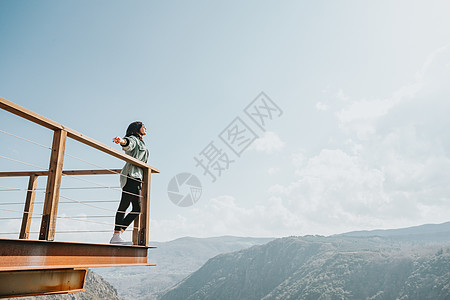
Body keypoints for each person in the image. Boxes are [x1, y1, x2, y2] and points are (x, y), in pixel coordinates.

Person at [110, 121, 149, 244]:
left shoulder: (141, 141)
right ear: (137, 129)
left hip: (136, 177)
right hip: (131, 176)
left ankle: (118, 234)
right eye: (143, 127)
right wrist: (121, 141)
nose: (146, 128)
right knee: (128, 206)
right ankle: (116, 235)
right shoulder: (134, 139)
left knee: (135, 208)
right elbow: (128, 144)